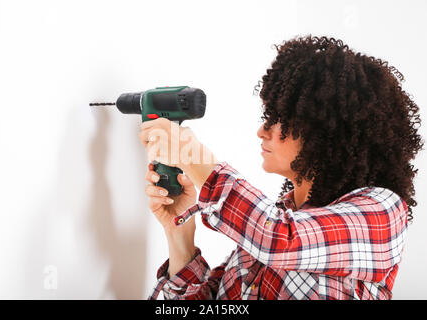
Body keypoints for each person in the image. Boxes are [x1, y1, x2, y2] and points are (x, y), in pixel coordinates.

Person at [138, 35, 424, 300]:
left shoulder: (382, 215)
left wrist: (194, 157)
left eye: (279, 118)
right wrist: (180, 234)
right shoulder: (267, 226)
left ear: (325, 131)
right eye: (268, 116)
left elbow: (279, 239)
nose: (262, 130)